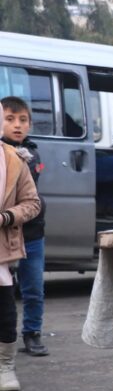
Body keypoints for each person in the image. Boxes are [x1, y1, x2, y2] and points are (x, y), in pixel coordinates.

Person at [1, 97, 49, 356]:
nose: (17, 125)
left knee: (33, 288)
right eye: (10, 119)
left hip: (31, 232)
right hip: (4, 234)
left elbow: (29, 197)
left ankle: (32, 333)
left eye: (23, 120)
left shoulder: (30, 154)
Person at [0, 134, 42, 391]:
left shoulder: (14, 159)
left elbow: (32, 203)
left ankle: (5, 366)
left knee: (4, 310)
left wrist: (6, 217)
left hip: (1, 250)